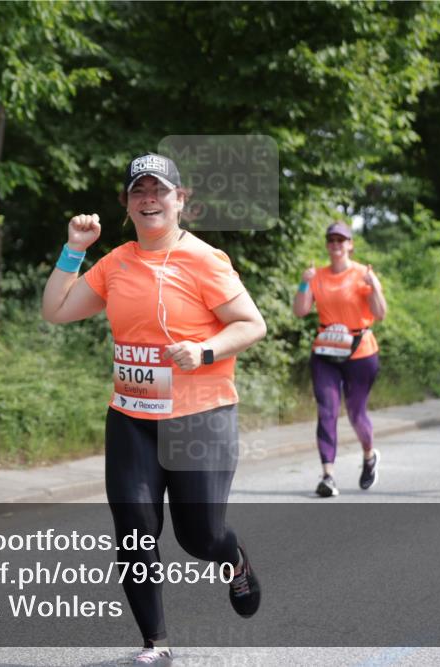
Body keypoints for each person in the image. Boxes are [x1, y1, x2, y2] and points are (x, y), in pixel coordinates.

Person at [41, 153, 267, 666]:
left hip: (199, 417)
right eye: (138, 191)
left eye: (159, 190)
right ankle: (155, 644)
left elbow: (251, 324)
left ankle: (234, 560)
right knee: (134, 529)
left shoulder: (205, 260)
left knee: (200, 536)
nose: (149, 199)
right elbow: (55, 311)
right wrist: (74, 250)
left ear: (180, 199)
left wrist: (204, 350)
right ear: (126, 204)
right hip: (131, 418)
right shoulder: (116, 263)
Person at [292, 221, 387, 496]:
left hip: (361, 352)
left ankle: (369, 455)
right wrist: (304, 282)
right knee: (327, 410)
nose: (336, 245)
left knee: (356, 413)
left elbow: (380, 314)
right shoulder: (317, 275)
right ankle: (328, 476)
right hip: (326, 351)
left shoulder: (363, 274)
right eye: (331, 240)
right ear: (327, 245)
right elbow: (300, 311)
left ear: (350, 244)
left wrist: (375, 287)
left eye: (341, 240)